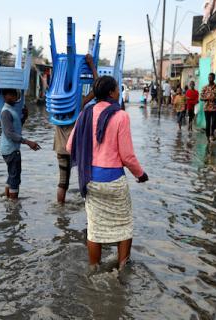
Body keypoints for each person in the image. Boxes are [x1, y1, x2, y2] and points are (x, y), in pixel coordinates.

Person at [66, 76, 148, 271]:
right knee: (124, 225)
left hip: (90, 181)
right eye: (117, 89)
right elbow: (127, 156)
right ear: (111, 92)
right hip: (114, 181)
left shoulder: (85, 114)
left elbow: (70, 147)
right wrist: (140, 174)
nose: (119, 93)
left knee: (95, 229)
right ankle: (122, 268)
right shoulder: (120, 116)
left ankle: (94, 269)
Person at [54, 54, 98, 204]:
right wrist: (92, 65)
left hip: (60, 149)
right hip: (76, 149)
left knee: (63, 182)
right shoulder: (76, 104)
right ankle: (88, 208)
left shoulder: (55, 105)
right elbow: (97, 90)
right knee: (86, 179)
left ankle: (61, 212)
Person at [0, 89, 41, 200]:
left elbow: (16, 128)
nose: (14, 97)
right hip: (11, 149)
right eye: (11, 94)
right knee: (15, 178)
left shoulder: (11, 110)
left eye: (15, 94)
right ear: (4, 96)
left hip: (9, 148)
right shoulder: (6, 112)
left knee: (11, 175)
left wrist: (24, 118)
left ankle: (8, 201)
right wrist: (28, 142)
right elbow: (10, 133)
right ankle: (14, 207)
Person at [200, 73, 216, 143]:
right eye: (209, 78)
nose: (210, 79)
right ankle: (208, 136)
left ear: (214, 78)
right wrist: (206, 98)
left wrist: (215, 98)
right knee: (208, 123)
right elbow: (201, 98)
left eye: (211, 78)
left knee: (215, 121)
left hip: (214, 107)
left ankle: (212, 134)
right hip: (207, 108)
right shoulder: (204, 87)